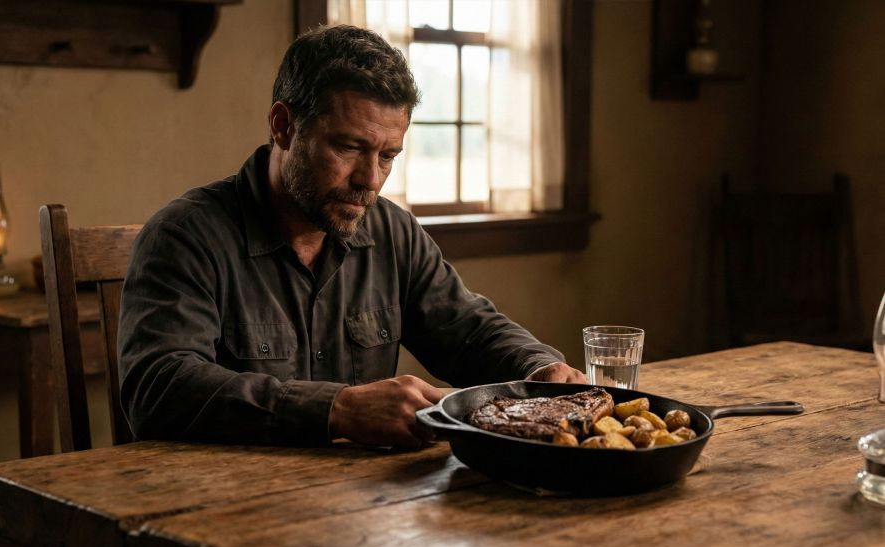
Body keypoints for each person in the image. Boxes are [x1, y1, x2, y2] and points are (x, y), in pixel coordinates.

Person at [118, 25, 585, 450]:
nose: (370, 180)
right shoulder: (185, 235)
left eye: (387, 156)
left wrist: (537, 369)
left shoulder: (392, 231)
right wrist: (336, 409)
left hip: (366, 509)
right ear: (284, 126)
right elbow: (158, 388)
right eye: (349, 147)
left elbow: (469, 330)